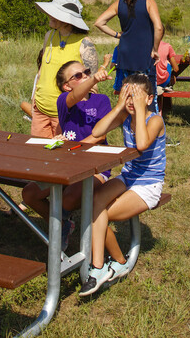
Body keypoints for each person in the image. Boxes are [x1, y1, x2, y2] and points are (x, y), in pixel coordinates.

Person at [80, 74, 167, 296]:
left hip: (149, 184)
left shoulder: (154, 120)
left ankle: (100, 267)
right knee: (94, 203)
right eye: (127, 96)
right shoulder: (125, 116)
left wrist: (138, 110)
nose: (131, 101)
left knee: (102, 214)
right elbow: (97, 132)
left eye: (136, 96)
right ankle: (112, 263)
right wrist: (119, 107)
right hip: (129, 176)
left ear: (149, 99)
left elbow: (141, 144)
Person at [21, 57, 114, 242]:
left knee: (69, 198)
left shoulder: (101, 101)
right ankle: (62, 224)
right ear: (66, 86)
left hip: (96, 165)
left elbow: (100, 136)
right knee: (29, 194)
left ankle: (60, 228)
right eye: (78, 76)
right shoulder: (64, 100)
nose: (85, 76)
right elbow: (74, 97)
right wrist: (94, 78)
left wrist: (77, 149)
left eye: (86, 72)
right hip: (67, 164)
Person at [31, 0, 98, 137]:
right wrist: (34, 100)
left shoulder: (84, 43)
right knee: (38, 155)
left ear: (67, 20)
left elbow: (92, 83)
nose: (49, 16)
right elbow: (41, 71)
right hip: (40, 109)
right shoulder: (49, 36)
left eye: (55, 13)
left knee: (62, 156)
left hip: (66, 113)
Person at [93, 0, 163, 95]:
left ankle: (127, 113)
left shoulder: (118, 4)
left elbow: (99, 22)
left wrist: (117, 35)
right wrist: (155, 49)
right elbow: (159, 28)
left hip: (125, 53)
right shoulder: (149, 2)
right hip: (144, 53)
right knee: (146, 92)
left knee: (126, 92)